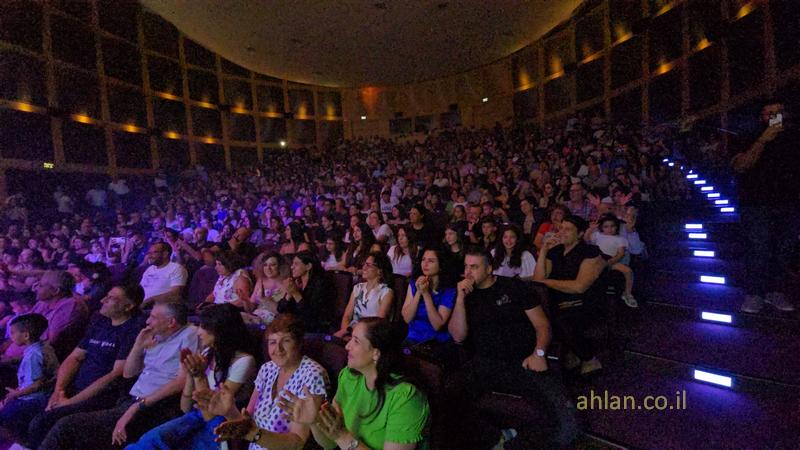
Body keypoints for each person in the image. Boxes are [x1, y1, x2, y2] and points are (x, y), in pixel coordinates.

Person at [447, 248, 579, 448]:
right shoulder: (465, 295)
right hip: (484, 362)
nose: (468, 272)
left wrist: (539, 353)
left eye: (474, 267)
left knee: (564, 418)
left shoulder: (513, 287)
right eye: (466, 266)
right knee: (449, 395)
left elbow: (542, 325)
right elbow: (458, 336)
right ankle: (495, 436)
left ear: (489, 269)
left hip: (522, 360)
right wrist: (459, 299)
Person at [38, 303, 199, 449]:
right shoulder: (154, 335)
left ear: (171, 322)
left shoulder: (190, 334)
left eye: (153, 317)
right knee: (57, 423)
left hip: (155, 406)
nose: (148, 321)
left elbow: (182, 380)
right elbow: (129, 373)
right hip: (130, 400)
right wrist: (138, 345)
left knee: (66, 427)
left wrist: (139, 406)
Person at [278, 317, 430, 450]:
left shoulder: (406, 398)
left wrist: (342, 435)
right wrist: (314, 422)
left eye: (356, 341)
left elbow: (339, 437)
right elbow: (329, 444)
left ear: (376, 353)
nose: (347, 346)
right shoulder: (349, 377)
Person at [25, 284, 145, 449]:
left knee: (43, 422)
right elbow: (74, 357)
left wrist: (70, 402)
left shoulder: (133, 330)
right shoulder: (100, 322)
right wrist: (58, 391)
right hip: (72, 389)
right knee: (22, 412)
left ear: (128, 306)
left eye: (111, 298)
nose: (103, 300)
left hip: (101, 396)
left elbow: (115, 374)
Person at [125, 304, 257, 449]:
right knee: (148, 441)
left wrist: (199, 376)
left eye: (204, 327)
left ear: (220, 330)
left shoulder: (244, 361)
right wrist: (190, 374)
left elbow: (211, 414)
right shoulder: (207, 354)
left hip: (220, 423)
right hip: (195, 416)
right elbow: (185, 407)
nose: (199, 332)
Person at [202, 314, 331, 449]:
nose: (278, 349)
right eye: (273, 342)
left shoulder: (313, 374)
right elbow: (247, 423)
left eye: (286, 341)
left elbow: (297, 443)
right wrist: (230, 411)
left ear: (299, 344)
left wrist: (255, 435)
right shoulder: (267, 369)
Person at [732, 100, 800, 313]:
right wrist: (763, 140)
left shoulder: (793, 138)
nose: (773, 117)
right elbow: (740, 165)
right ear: (760, 117)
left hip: (788, 201)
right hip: (756, 202)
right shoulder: (747, 136)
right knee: (758, 249)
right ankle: (755, 293)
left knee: (784, 249)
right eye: (768, 113)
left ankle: (775, 291)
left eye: (778, 112)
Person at [533, 215, 606, 375]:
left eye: (568, 229)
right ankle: (571, 353)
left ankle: (589, 358)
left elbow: (580, 287)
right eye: (561, 228)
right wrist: (544, 250)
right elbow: (538, 279)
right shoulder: (555, 251)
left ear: (580, 234)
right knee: (540, 316)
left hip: (584, 301)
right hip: (557, 299)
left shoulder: (590, 252)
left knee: (562, 320)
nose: (562, 232)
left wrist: (548, 282)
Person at [2, 270, 88, 363]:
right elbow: (20, 328)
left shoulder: (69, 307)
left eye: (40, 285)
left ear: (56, 291)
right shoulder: (43, 302)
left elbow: (49, 347)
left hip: (30, 364)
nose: (35, 288)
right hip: (11, 357)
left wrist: (11, 360)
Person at [0, 314, 58, 438]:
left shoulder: (33, 356)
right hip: (40, 395)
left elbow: (38, 384)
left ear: (26, 335)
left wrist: (16, 394)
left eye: (13, 333)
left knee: (3, 417)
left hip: (35, 400)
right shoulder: (43, 347)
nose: (11, 336)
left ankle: (20, 443)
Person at [401, 247, 456, 352]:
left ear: (441, 265)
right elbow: (407, 318)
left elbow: (437, 325)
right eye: (423, 260)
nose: (425, 264)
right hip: (412, 339)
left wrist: (426, 294)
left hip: (436, 342)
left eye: (431, 261)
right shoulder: (413, 284)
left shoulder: (448, 291)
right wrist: (418, 292)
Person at [334, 252, 395, 339]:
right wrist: (346, 333)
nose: (364, 267)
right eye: (364, 264)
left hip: (370, 335)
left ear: (380, 271)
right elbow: (347, 316)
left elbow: (378, 323)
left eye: (368, 265)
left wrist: (352, 334)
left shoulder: (386, 292)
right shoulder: (357, 288)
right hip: (350, 331)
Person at [588, 214, 637, 308]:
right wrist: (590, 229)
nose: (609, 229)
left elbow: (621, 253)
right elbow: (586, 240)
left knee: (628, 271)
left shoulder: (620, 239)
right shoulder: (597, 235)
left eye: (612, 226)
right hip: (597, 259)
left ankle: (627, 293)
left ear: (616, 227)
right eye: (606, 227)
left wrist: (610, 262)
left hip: (610, 260)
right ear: (601, 227)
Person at [277, 252, 333, 333]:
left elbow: (311, 315)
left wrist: (295, 293)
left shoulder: (321, 285)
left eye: (296, 264)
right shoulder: (296, 282)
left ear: (308, 266)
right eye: (292, 264)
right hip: (295, 324)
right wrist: (289, 294)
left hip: (313, 328)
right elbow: (281, 310)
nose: (292, 267)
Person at [139, 242, 188, 309]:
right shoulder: (150, 269)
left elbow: (176, 294)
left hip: (160, 308)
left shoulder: (176, 268)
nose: (149, 256)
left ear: (165, 254)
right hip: (141, 305)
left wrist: (151, 300)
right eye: (149, 253)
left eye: (154, 253)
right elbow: (140, 289)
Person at [245, 252, 287, 326]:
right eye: (265, 265)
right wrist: (244, 300)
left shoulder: (286, 283)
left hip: (273, 322)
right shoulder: (260, 281)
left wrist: (264, 299)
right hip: (255, 317)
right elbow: (251, 309)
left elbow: (281, 312)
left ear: (280, 266)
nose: (268, 268)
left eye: (273, 265)